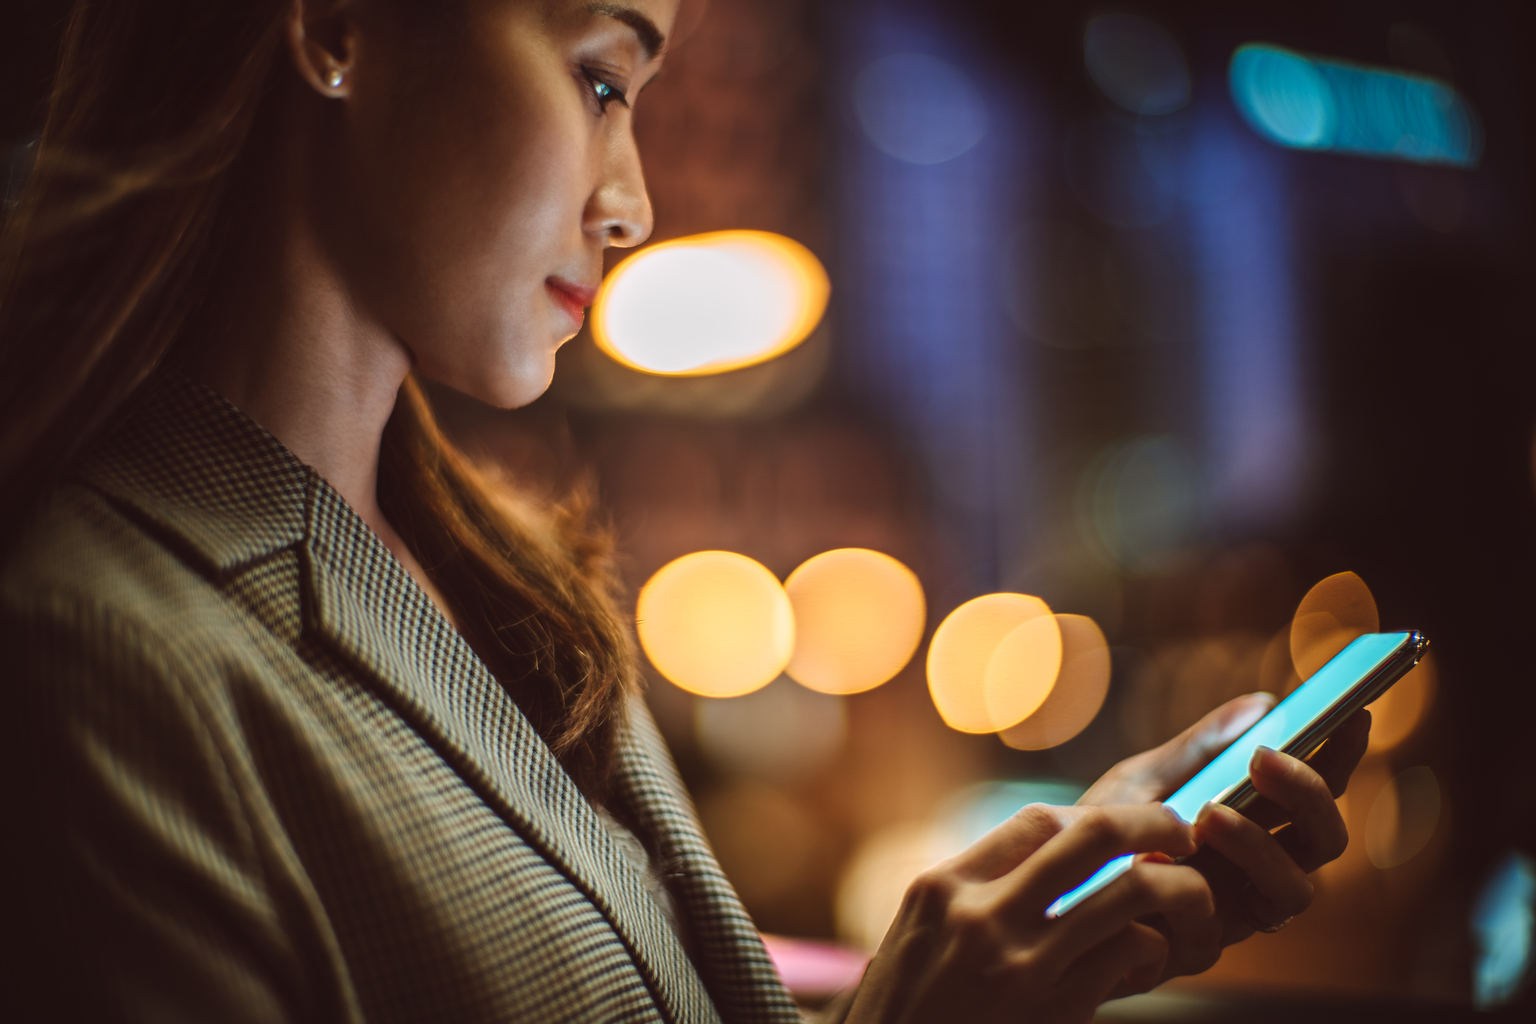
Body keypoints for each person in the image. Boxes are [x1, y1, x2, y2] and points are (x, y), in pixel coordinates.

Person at [0, 2, 1369, 1022]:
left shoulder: (507, 579)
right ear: (340, 24)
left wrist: (1031, 931)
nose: (634, 206)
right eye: (602, 79)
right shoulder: (96, 655)